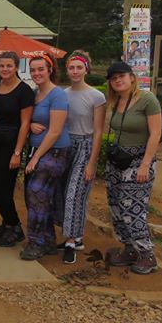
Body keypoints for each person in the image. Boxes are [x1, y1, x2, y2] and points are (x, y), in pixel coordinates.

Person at [104, 60, 162, 275]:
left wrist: (145, 165)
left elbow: (156, 133)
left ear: (131, 77)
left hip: (139, 159)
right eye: (113, 78)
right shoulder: (116, 101)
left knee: (132, 206)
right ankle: (129, 248)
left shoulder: (147, 100)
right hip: (118, 160)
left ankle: (147, 254)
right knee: (116, 205)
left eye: (121, 76)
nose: (118, 80)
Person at [21, 55, 72, 261]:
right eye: (33, 70)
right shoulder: (35, 94)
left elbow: (55, 131)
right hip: (37, 150)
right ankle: (48, 240)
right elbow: (30, 119)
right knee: (39, 195)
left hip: (55, 152)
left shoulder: (57, 95)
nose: (36, 73)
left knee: (36, 192)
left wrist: (36, 158)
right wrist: (31, 125)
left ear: (50, 70)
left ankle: (36, 242)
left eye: (41, 69)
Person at [58, 51, 107, 264]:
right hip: (66, 145)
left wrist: (92, 162)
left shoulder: (96, 96)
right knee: (66, 193)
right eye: (71, 68)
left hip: (86, 146)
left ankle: (71, 241)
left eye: (79, 67)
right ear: (67, 70)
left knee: (75, 193)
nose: (75, 71)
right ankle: (76, 236)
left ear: (86, 69)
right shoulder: (63, 94)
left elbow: (98, 131)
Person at [0, 52, 35, 248]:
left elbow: (25, 124)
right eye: (2, 66)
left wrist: (17, 152)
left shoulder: (24, 91)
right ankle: (7, 224)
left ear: (16, 67)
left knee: (3, 189)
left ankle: (14, 226)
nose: (5, 69)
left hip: (10, 147)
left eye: (9, 66)